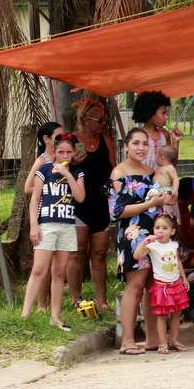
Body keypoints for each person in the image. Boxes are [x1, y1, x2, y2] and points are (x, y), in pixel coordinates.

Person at [110, 128, 167, 355]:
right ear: (126, 146)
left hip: (155, 235)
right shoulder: (118, 173)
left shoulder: (152, 173)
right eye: (136, 143)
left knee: (153, 285)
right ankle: (128, 340)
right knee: (135, 286)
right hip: (132, 236)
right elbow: (117, 210)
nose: (141, 148)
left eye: (145, 144)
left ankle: (153, 338)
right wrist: (148, 205)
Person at [20, 134, 86, 331]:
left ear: (74, 152)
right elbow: (35, 198)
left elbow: (80, 197)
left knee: (59, 272)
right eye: (60, 152)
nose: (64, 155)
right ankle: (25, 314)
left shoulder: (77, 172)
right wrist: (34, 224)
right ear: (54, 152)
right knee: (39, 269)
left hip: (67, 225)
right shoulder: (44, 170)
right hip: (47, 224)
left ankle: (55, 316)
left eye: (68, 151)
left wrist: (67, 174)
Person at [69, 97, 115, 313]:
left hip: (100, 202)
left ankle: (101, 300)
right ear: (85, 120)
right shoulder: (72, 141)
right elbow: (59, 169)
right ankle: (75, 298)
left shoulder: (105, 140)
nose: (103, 123)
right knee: (78, 252)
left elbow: (114, 169)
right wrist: (72, 163)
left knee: (99, 252)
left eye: (103, 119)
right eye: (99, 119)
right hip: (79, 202)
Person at [133, 214, 190, 354]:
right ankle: (163, 343)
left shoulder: (174, 244)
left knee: (177, 314)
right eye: (157, 228)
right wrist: (144, 242)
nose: (160, 231)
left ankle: (174, 340)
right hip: (162, 286)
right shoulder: (152, 246)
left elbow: (178, 262)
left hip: (176, 284)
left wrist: (184, 279)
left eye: (165, 228)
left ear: (172, 231)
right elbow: (137, 256)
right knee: (162, 315)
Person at [133, 90, 180, 169]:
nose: (166, 117)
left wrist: (176, 142)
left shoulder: (165, 135)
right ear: (151, 113)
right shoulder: (137, 137)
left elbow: (172, 164)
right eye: (163, 113)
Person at [148, 144, 181, 221]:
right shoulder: (160, 168)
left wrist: (175, 190)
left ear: (162, 157)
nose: (155, 158)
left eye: (156, 155)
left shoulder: (170, 167)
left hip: (166, 192)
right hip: (157, 193)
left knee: (167, 214)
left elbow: (175, 179)